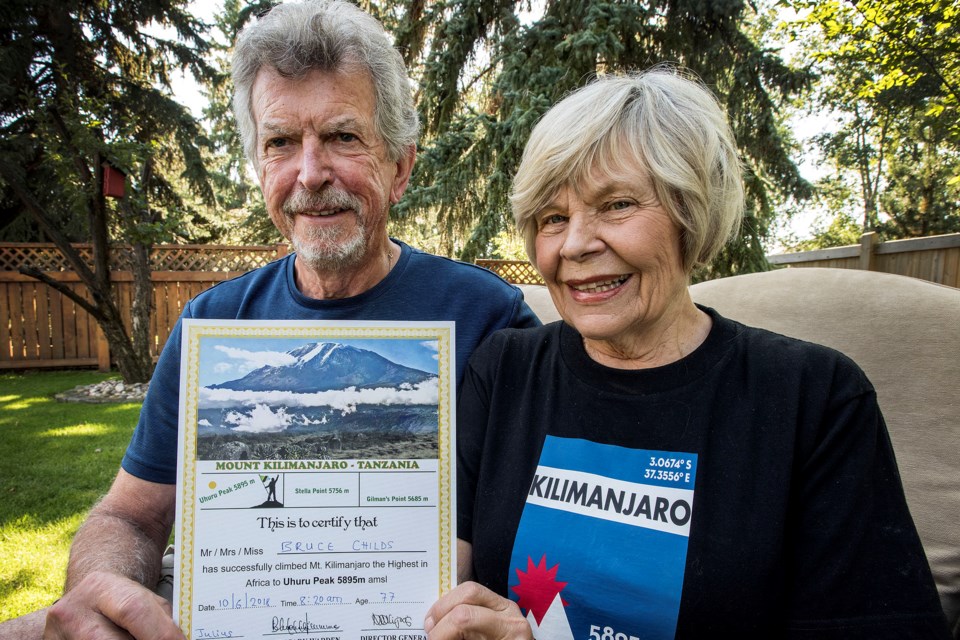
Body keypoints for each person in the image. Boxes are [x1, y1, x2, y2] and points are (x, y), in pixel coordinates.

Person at [29, 2, 538, 638]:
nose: (310, 174)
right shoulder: (210, 323)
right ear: (259, 167)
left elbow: (544, 538)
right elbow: (130, 518)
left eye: (342, 137)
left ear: (400, 167)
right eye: (280, 144)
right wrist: (102, 589)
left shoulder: (489, 318)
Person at [424, 68, 951, 639]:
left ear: (691, 216)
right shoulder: (503, 371)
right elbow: (439, 574)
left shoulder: (814, 397)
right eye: (553, 218)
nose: (575, 243)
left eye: (617, 204)